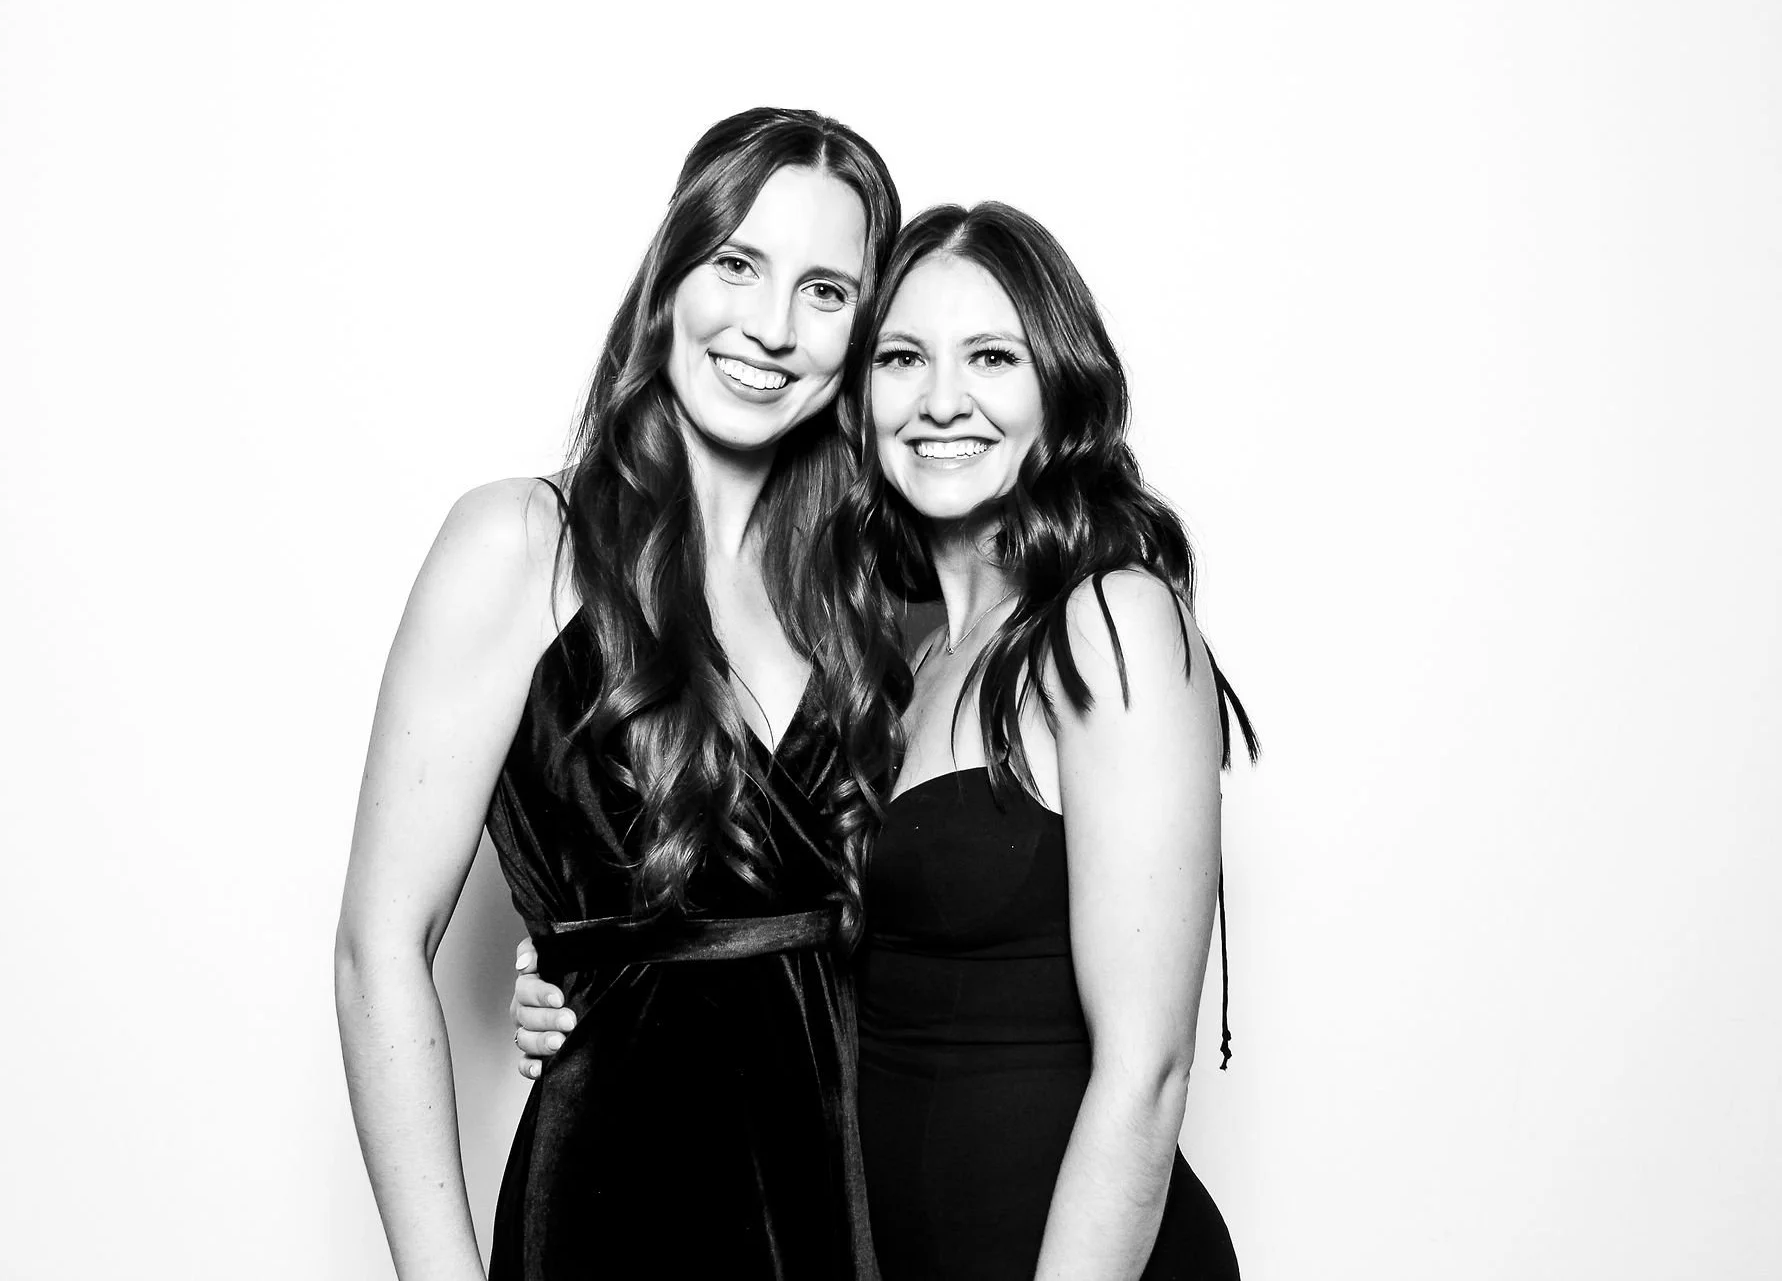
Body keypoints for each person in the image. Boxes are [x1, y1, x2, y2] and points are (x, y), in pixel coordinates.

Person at [515, 202, 1258, 1279]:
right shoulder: (888, 670)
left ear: (1059, 387)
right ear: (859, 399)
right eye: (903, 358)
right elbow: (783, 937)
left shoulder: (1106, 620)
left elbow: (1145, 1071)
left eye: (991, 356)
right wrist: (585, 973)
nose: (942, 400)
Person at [334, 106, 903, 1281]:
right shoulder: (518, 544)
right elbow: (378, 948)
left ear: (860, 335)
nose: (770, 326)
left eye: (825, 291)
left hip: (838, 1202)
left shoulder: (863, 601)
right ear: (670, 276)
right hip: (616, 1207)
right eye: (737, 264)